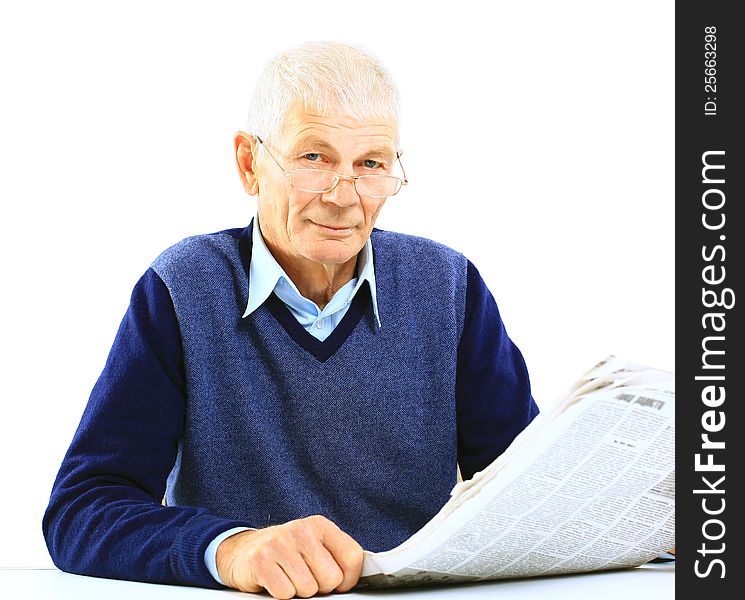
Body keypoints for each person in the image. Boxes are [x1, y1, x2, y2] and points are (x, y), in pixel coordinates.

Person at [42, 41, 538, 599]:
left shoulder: (448, 286)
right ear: (250, 163)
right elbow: (82, 511)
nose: (343, 196)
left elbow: (531, 491)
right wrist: (232, 549)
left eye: (370, 164)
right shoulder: (185, 286)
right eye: (314, 158)